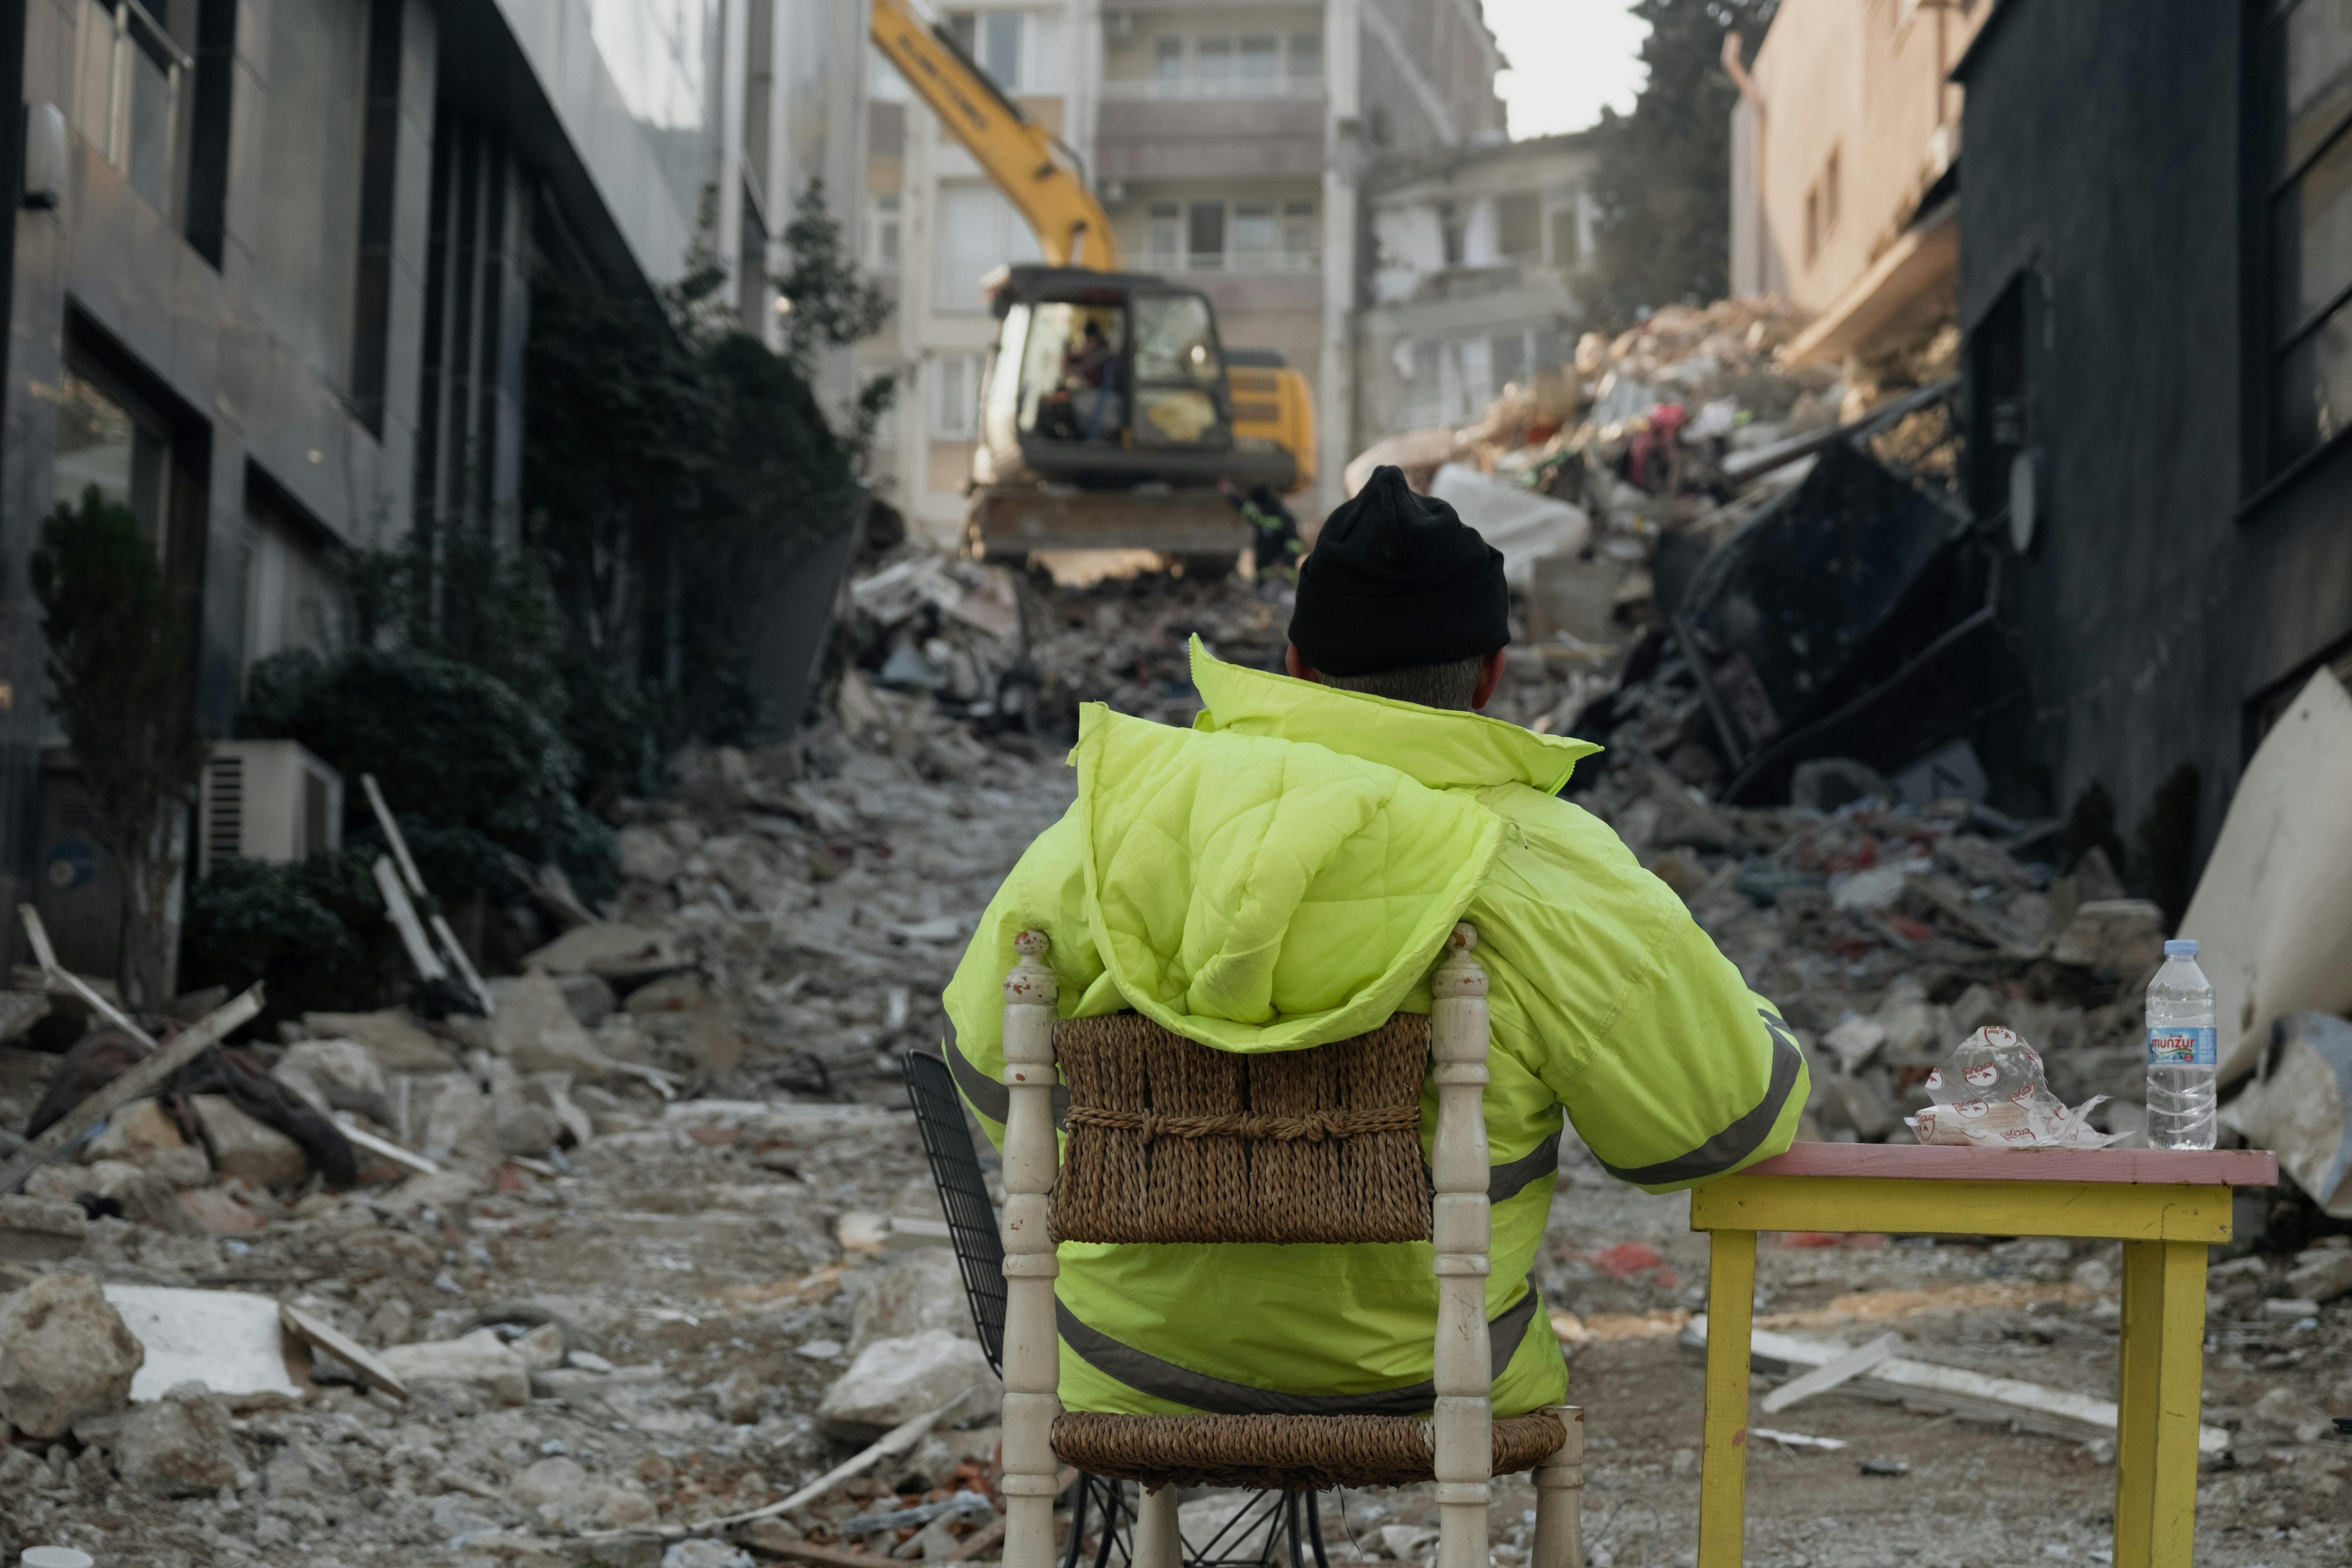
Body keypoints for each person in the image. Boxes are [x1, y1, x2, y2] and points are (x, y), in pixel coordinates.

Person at [939, 465, 1805, 1420]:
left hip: (1123, 1369)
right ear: (1490, 674)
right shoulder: (1554, 876)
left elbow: (986, 1072)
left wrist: (1160, 1160)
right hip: (1429, 1383)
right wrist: (1756, 1021)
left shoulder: (1109, 837)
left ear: (1295, 661)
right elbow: (1718, 1126)